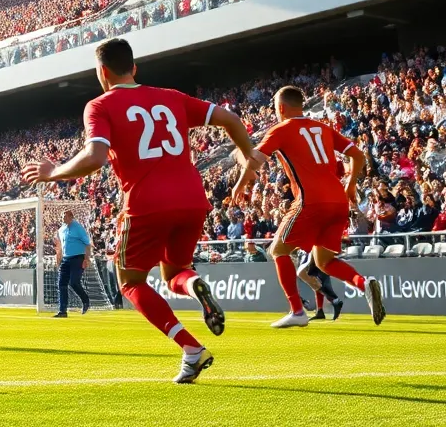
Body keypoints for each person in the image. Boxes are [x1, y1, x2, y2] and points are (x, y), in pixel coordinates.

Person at [22, 38, 257, 384]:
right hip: (192, 200)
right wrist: (249, 160)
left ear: (102, 72)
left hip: (146, 204)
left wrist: (53, 172)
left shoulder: (99, 106)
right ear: (134, 68)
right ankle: (196, 287)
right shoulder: (173, 98)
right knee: (176, 272)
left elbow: (96, 157)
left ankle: (192, 349)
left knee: (130, 282)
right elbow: (230, 118)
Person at [233, 86, 385, 328]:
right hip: (338, 202)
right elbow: (359, 156)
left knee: (278, 251)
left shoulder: (281, 129)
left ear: (281, 108)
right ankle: (364, 283)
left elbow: (254, 162)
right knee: (324, 262)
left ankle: (297, 310)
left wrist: (238, 158)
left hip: (310, 201)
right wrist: (351, 185)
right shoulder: (323, 128)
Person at [54, 209, 91, 318]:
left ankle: (85, 300)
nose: (62, 218)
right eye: (62, 216)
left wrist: (86, 259)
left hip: (77, 258)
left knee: (74, 282)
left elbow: (87, 244)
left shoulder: (78, 228)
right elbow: (60, 246)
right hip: (66, 259)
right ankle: (62, 311)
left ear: (71, 216)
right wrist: (58, 258)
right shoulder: (61, 230)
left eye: (64, 216)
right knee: (62, 284)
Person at [297, 251, 343, 321]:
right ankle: (320, 310)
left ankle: (334, 300)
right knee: (315, 281)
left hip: (317, 249)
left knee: (308, 275)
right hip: (315, 250)